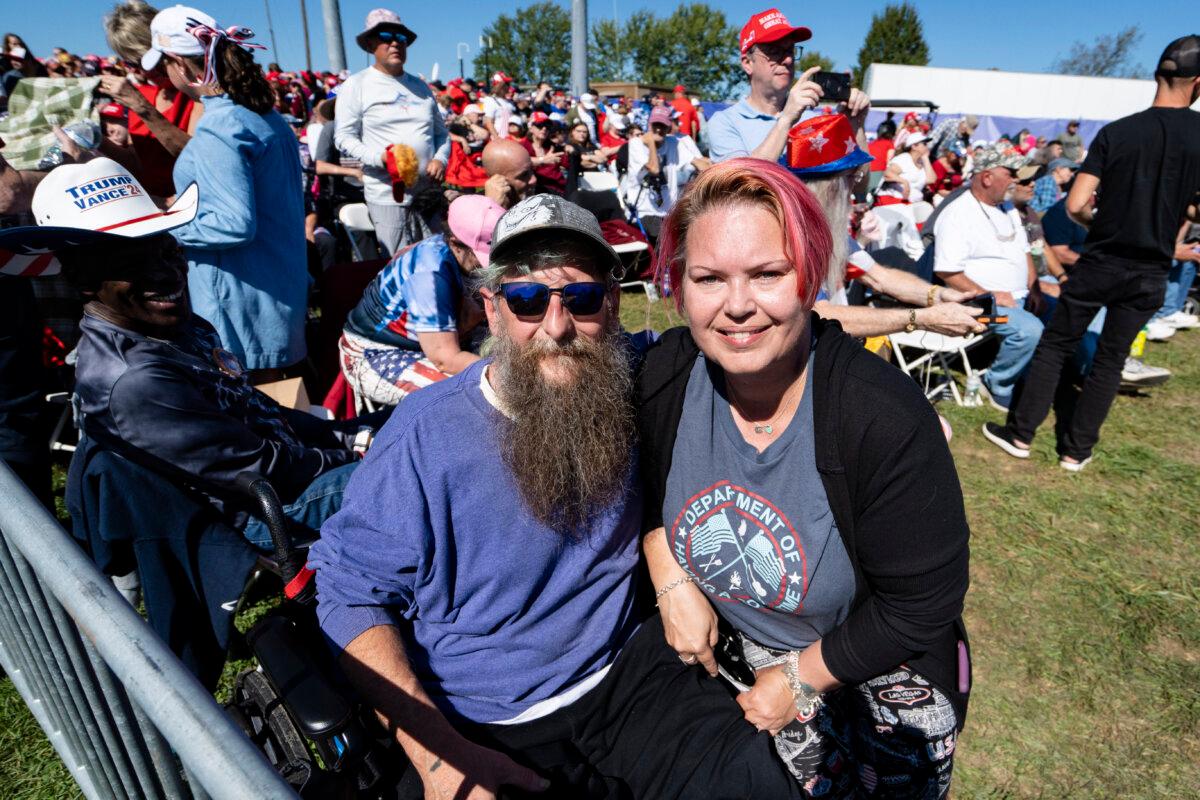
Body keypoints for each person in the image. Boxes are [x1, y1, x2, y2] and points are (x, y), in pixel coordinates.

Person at [308, 193, 804, 800]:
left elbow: (770, 324)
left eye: (582, 298)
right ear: (491, 311)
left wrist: (885, 374)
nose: (557, 326)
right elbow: (347, 591)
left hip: (632, 675)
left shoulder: (639, 373)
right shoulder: (424, 434)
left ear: (612, 305)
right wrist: (440, 757)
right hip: (488, 718)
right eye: (526, 299)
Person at [638, 158, 969, 796]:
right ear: (679, 287)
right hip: (720, 662)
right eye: (709, 278)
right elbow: (627, 483)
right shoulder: (665, 379)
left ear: (810, 274)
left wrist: (799, 679)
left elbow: (921, 604)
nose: (737, 307)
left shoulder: (879, 415)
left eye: (767, 274)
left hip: (861, 663)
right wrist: (664, 559)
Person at [0, 160, 384, 548]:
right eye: (135, 266)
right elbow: (262, 470)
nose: (167, 274)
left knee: (422, 418)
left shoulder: (175, 328)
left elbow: (256, 409)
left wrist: (351, 437)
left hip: (291, 473)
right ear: (83, 280)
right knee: (426, 460)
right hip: (272, 513)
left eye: (168, 252)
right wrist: (361, 455)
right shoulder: (135, 378)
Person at [985, 36, 1200, 472]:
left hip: (1102, 259)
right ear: (1197, 83)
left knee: (1056, 344)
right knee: (1110, 358)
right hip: (1151, 268)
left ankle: (1021, 434)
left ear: (1159, 73)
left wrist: (1104, 225)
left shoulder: (1117, 132)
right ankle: (1075, 450)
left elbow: (1077, 204)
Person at [156, 6, 308, 379]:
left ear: (179, 64)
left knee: (255, 419)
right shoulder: (264, 117)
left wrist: (164, 224)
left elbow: (232, 225)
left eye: (163, 67)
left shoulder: (222, 126)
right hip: (274, 293)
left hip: (241, 306)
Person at [785, 114, 985, 338]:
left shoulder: (828, 229)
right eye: (853, 176)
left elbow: (879, 278)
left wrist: (939, 295)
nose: (856, 185)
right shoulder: (790, 235)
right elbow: (819, 315)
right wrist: (921, 319)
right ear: (831, 185)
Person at [339, 195, 504, 407]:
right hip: (374, 355)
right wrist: (507, 374)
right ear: (456, 243)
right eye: (480, 257)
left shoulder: (449, 252)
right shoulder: (429, 273)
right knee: (471, 393)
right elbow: (445, 358)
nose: (484, 267)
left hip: (429, 341)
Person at [933, 145, 1044, 411]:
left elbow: (1024, 251)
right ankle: (997, 383)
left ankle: (1041, 375)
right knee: (1029, 331)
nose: (1016, 179)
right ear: (987, 177)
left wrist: (1035, 287)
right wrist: (993, 296)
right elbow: (947, 272)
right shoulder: (959, 214)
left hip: (1018, 296)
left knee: (1068, 310)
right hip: (980, 304)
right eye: (1011, 173)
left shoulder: (1008, 208)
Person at [335, 8, 449, 256]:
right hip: (388, 196)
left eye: (402, 38)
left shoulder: (421, 87)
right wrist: (380, 158)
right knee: (398, 264)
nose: (395, 42)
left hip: (428, 193)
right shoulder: (357, 84)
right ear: (370, 43)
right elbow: (343, 138)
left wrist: (440, 158)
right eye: (386, 35)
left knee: (436, 261)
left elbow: (442, 134)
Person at [708, 9, 869, 164]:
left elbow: (859, 185)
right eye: (775, 51)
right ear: (748, 63)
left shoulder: (814, 120)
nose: (788, 60)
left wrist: (855, 125)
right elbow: (742, 185)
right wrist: (786, 120)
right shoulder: (725, 122)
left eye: (790, 51)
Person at [100, 1, 203, 198]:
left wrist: (142, 107)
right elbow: (137, 162)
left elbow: (196, 156)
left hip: (188, 205)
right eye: (133, 63)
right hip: (155, 205)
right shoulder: (141, 95)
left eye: (146, 56)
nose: (145, 69)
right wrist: (97, 140)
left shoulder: (196, 90)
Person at [620, 106, 708, 240]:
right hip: (643, 212)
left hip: (668, 212)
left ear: (668, 128)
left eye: (663, 126)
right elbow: (654, 169)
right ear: (650, 124)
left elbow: (699, 164)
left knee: (698, 231)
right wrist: (651, 143)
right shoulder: (636, 144)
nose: (659, 129)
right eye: (656, 125)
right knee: (671, 240)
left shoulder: (673, 143)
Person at [521, 111, 567, 196]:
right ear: (531, 128)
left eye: (547, 126)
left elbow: (568, 163)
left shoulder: (553, 147)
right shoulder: (522, 146)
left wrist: (572, 150)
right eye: (540, 125)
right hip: (534, 193)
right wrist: (542, 160)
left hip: (558, 191)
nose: (544, 128)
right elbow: (519, 162)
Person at [482, 138, 537, 209]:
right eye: (523, 175)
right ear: (496, 179)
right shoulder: (473, 211)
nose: (534, 179)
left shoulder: (547, 197)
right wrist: (493, 208)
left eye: (532, 169)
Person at [884, 132, 936, 206]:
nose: (927, 146)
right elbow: (887, 174)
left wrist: (925, 158)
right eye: (924, 144)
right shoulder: (904, 158)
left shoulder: (922, 162)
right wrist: (905, 182)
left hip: (914, 203)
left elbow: (931, 180)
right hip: (897, 201)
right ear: (914, 146)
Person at [480, 70, 517, 141]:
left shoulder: (509, 102)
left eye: (508, 84)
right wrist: (497, 138)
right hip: (499, 139)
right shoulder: (490, 100)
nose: (508, 86)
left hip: (512, 139)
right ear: (499, 85)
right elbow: (488, 122)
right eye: (506, 84)